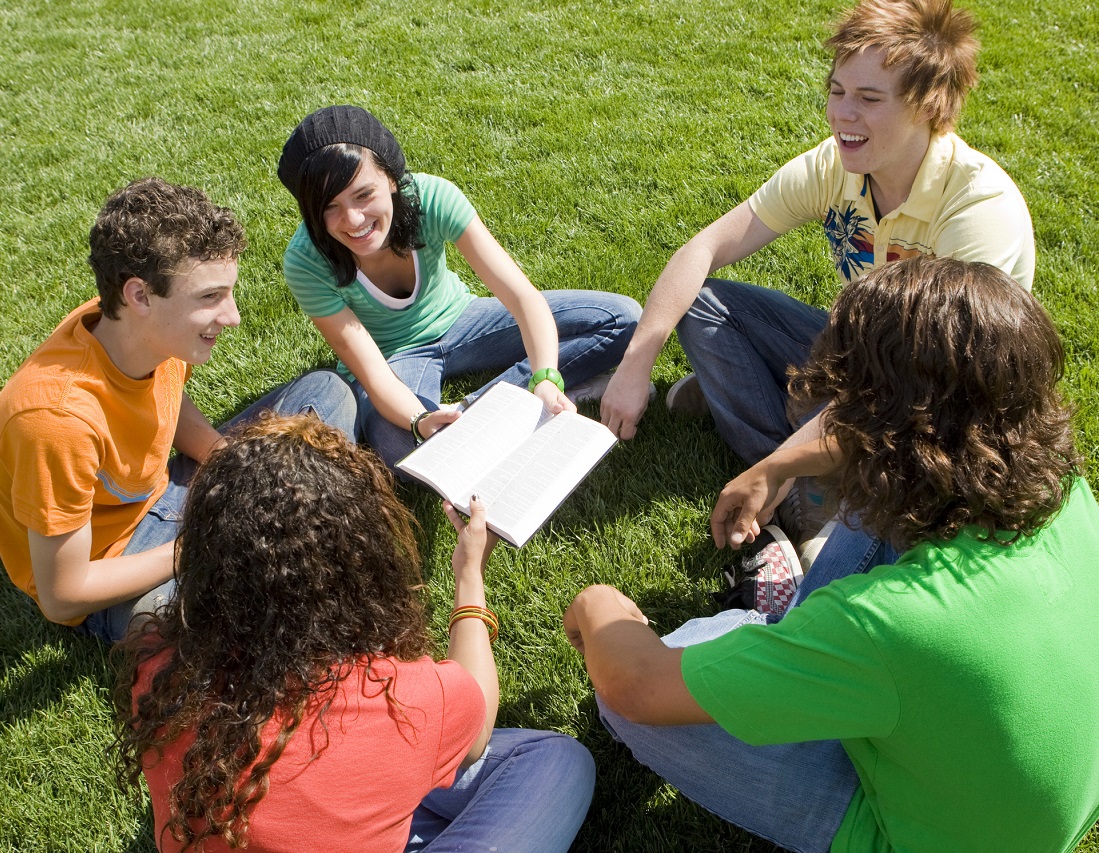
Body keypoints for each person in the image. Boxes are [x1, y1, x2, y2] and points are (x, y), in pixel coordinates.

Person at [564, 256, 1099, 852]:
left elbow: (635, 685)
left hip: (908, 831)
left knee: (627, 700)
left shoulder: (886, 626)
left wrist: (596, 604)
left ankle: (761, 632)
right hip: (998, 794)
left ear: (888, 431)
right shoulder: (1062, 491)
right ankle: (785, 645)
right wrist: (775, 466)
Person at [599, 0, 1034, 550]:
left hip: (938, 396)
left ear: (929, 104)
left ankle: (781, 456)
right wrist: (636, 364)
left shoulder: (977, 209)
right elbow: (704, 247)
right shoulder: (833, 164)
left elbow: (921, 391)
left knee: (903, 442)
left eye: (869, 99)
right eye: (837, 91)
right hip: (863, 355)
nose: (842, 114)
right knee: (704, 303)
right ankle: (795, 476)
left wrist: (785, 457)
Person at [112, 414, 595, 852]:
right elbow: (478, 727)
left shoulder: (160, 666)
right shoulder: (403, 702)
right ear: (357, 558)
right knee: (558, 762)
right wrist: (470, 576)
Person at [0, 178, 357, 644]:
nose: (232, 317)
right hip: (116, 561)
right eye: (210, 297)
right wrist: (196, 549)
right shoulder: (55, 421)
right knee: (197, 615)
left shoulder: (143, 331)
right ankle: (279, 533)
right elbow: (62, 594)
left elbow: (165, 397)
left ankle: (269, 530)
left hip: (167, 494)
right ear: (139, 296)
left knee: (325, 392)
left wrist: (229, 461)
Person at [277, 105, 643, 469]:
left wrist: (545, 376)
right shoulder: (306, 260)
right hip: (393, 359)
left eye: (363, 195)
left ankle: (496, 404)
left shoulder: (432, 198)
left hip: (463, 319)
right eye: (330, 207)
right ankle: (523, 399)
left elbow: (521, 297)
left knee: (623, 319)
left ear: (390, 179)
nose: (353, 220)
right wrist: (420, 421)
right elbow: (372, 372)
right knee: (397, 446)